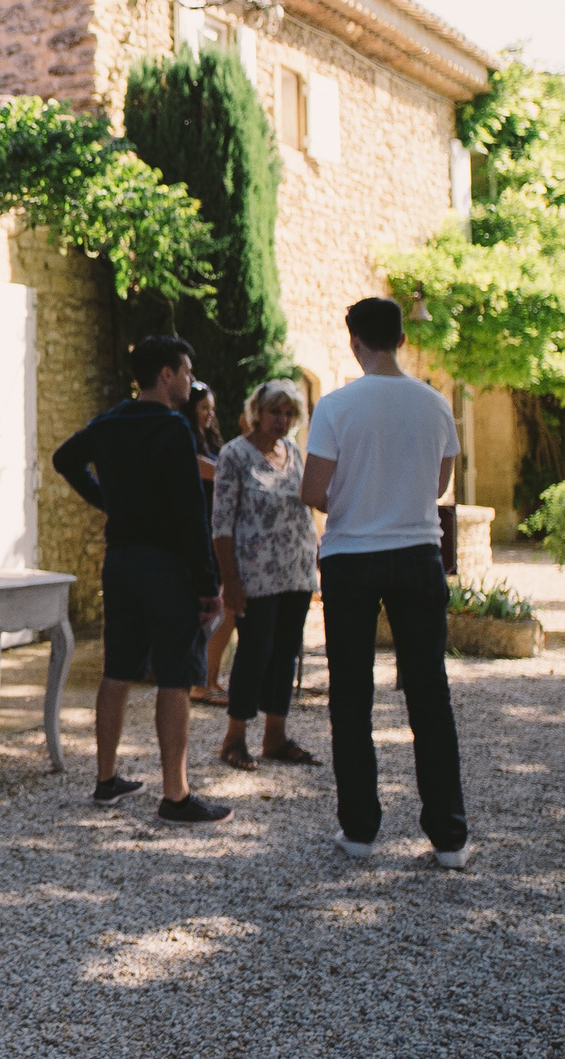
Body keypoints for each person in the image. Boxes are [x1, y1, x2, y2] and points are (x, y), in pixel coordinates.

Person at [299, 298, 471, 868]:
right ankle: (449, 837)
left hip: (352, 556)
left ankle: (360, 830)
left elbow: (314, 490)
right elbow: (441, 483)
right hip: (418, 551)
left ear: (355, 341)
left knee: (351, 695)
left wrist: (357, 497)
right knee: (429, 694)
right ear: (400, 338)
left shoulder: (336, 405)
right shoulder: (435, 403)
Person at [50, 334, 231, 825]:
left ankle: (106, 780)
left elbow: (64, 459)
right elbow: (190, 511)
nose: (191, 382)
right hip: (165, 566)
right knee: (175, 677)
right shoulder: (172, 427)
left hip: (121, 561)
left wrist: (109, 500)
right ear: (167, 374)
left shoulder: (109, 422)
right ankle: (176, 796)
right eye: (187, 372)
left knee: (118, 669)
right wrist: (207, 582)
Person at [210, 380, 321, 771]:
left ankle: (276, 735)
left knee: (286, 653)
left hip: (296, 571)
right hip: (254, 575)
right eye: (276, 411)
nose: (282, 420)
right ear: (258, 411)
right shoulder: (234, 454)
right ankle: (235, 737)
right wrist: (230, 582)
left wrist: (317, 559)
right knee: (255, 651)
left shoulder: (291, 451)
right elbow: (221, 523)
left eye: (289, 413)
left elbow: (304, 509)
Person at [184, 382, 234, 707]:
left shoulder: (211, 439)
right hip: (199, 532)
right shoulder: (184, 440)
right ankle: (199, 682)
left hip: (217, 527)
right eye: (204, 407)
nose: (210, 413)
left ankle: (210, 678)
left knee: (222, 606)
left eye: (211, 407)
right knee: (207, 608)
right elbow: (209, 471)